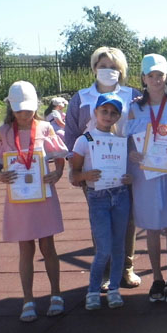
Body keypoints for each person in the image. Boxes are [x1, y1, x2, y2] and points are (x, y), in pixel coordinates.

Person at [0, 81, 68, 322]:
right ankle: (28, 299)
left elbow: (59, 156)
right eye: (19, 109)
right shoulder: (4, 132)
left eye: (28, 109)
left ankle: (56, 294)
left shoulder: (45, 128)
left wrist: (58, 173)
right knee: (25, 248)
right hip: (19, 199)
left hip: (43, 195)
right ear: (11, 107)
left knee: (48, 246)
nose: (24, 114)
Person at [63, 46, 140, 289]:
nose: (108, 70)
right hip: (93, 171)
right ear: (94, 68)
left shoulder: (133, 95)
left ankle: (126, 267)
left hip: (124, 169)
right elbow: (71, 133)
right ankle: (105, 270)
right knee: (100, 222)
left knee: (127, 220)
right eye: (103, 66)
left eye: (113, 67)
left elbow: (141, 128)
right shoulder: (81, 97)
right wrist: (76, 168)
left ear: (122, 70)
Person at [127, 53, 167, 303]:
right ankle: (157, 278)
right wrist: (131, 154)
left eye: (160, 75)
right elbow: (126, 142)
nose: (156, 80)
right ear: (143, 78)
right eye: (151, 75)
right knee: (151, 227)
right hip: (145, 175)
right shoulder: (134, 108)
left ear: (166, 77)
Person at [69, 92, 133, 311]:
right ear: (95, 112)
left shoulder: (120, 141)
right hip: (98, 198)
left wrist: (128, 178)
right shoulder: (84, 140)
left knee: (119, 248)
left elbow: (125, 172)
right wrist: (85, 176)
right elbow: (74, 175)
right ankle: (93, 290)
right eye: (104, 111)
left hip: (120, 195)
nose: (108, 116)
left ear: (118, 117)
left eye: (113, 113)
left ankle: (114, 288)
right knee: (103, 248)